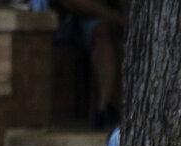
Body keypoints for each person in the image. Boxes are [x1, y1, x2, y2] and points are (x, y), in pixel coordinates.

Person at [26, 0, 124, 128]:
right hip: (51, 19)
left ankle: (104, 109)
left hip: (86, 20)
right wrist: (114, 16)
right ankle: (33, 116)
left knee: (103, 33)